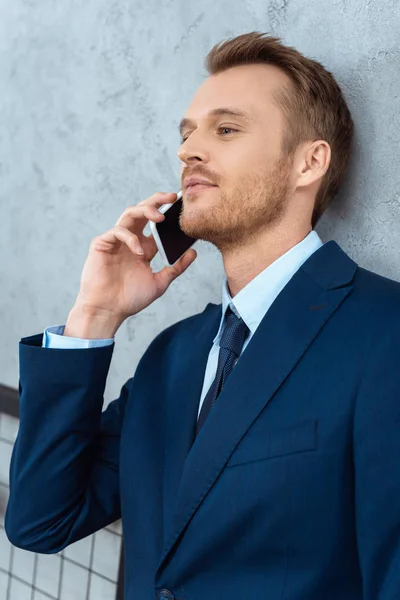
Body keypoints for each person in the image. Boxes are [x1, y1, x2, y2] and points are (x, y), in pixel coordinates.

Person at [5, 31, 400, 600]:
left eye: (227, 128)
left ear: (309, 162)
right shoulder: (175, 354)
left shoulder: (384, 335)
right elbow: (40, 521)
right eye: (187, 134)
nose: (188, 150)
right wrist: (93, 317)